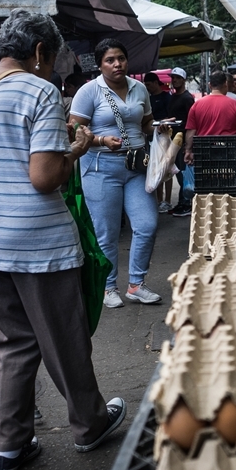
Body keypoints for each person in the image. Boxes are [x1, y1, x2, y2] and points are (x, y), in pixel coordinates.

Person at [0, 9, 126, 470]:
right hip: (37, 243)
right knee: (64, 338)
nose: (52, 69)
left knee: (12, 342)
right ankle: (89, 424)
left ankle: (11, 445)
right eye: (53, 59)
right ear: (39, 52)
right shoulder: (40, 91)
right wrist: (75, 150)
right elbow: (44, 178)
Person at [70, 39, 164, 308]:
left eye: (121, 58)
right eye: (110, 60)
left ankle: (136, 284)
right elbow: (74, 130)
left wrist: (158, 128)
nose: (117, 64)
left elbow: (145, 122)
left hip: (136, 166)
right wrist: (100, 140)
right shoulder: (89, 91)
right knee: (107, 232)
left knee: (146, 225)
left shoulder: (140, 89)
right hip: (100, 168)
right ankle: (108, 286)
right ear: (100, 65)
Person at [176, 71, 236, 217]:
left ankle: (208, 218)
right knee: (230, 190)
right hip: (230, 157)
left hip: (206, 157)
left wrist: (188, 151)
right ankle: (229, 217)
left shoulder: (197, 106)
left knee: (206, 191)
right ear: (226, 84)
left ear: (210, 85)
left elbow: (191, 132)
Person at [165, 67, 193, 216]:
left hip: (182, 140)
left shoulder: (187, 98)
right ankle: (182, 202)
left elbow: (191, 122)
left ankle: (186, 203)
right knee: (176, 171)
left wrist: (188, 146)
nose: (174, 80)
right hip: (173, 139)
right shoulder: (173, 96)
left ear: (183, 80)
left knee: (183, 173)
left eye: (177, 78)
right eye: (172, 78)